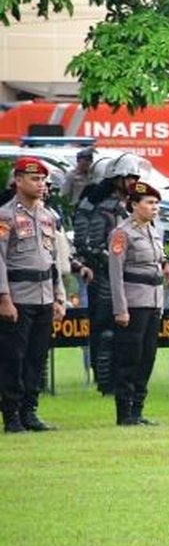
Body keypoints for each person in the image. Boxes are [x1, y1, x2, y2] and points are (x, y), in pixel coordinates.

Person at [0, 158, 67, 433]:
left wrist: (59, 296)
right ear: (18, 181)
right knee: (13, 358)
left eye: (43, 180)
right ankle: (12, 415)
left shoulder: (47, 216)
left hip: (44, 296)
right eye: (34, 179)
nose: (41, 185)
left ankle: (29, 411)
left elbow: (53, 260)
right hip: (18, 296)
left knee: (36, 357)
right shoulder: (5, 216)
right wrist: (4, 298)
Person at [108, 181, 169, 425]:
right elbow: (115, 273)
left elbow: (157, 260)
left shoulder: (152, 230)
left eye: (156, 203)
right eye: (149, 203)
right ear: (134, 205)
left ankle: (137, 409)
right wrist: (121, 309)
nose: (154, 207)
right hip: (134, 303)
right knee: (130, 357)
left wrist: (166, 266)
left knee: (148, 357)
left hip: (153, 301)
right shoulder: (122, 233)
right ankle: (125, 412)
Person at [86, 154, 145, 394]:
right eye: (128, 178)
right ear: (116, 180)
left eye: (135, 178)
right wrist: (115, 262)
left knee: (130, 333)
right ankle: (106, 382)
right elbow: (93, 245)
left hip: (132, 281)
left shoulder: (135, 208)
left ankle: (126, 379)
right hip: (107, 279)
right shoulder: (104, 209)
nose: (132, 182)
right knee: (107, 332)